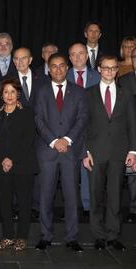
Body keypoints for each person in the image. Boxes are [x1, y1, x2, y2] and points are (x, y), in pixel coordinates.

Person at [34, 53, 88, 252]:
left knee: (71, 195)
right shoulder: (41, 92)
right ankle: (45, 236)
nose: (57, 69)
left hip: (70, 151)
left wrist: (66, 140)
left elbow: (82, 119)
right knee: (45, 195)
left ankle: (72, 237)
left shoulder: (79, 92)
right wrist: (54, 141)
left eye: (61, 66)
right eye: (53, 66)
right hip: (47, 151)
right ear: (48, 69)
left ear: (67, 68)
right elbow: (38, 119)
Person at [83, 55, 136, 251]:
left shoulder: (127, 93)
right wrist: (85, 151)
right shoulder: (88, 94)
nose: (109, 71)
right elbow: (83, 125)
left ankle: (113, 235)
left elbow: (132, 124)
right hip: (95, 152)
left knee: (115, 195)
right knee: (96, 195)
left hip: (118, 152)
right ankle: (98, 235)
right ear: (99, 69)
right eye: (105, 68)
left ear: (117, 70)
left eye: (113, 68)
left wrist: (133, 150)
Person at [0, 78, 38, 251]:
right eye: (6, 92)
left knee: (24, 203)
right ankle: (8, 236)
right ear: (1, 95)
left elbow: (28, 139)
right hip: (1, 165)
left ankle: (22, 237)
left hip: (23, 165)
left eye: (13, 92)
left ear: (18, 93)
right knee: (4, 203)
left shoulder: (27, 112)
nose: (9, 95)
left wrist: (12, 159)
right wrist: (3, 159)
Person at [66, 43, 101, 217]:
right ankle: (72, 208)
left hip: (93, 130)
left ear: (87, 56)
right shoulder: (62, 77)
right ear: (69, 58)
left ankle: (88, 207)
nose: (78, 57)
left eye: (81, 53)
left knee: (88, 169)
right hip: (68, 131)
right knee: (69, 172)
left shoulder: (98, 76)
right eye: (74, 54)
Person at [118, 47, 136, 223]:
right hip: (131, 130)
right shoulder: (123, 80)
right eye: (135, 57)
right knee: (133, 176)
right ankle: (133, 209)